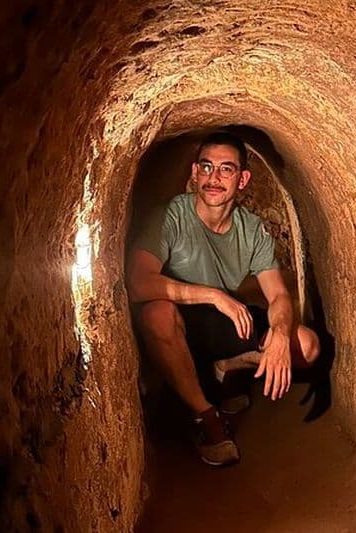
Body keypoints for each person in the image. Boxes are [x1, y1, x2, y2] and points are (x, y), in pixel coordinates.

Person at [127, 131, 320, 466]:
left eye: (226, 169)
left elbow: (278, 295)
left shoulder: (251, 229)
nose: (213, 178)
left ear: (243, 179)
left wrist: (278, 333)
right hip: (180, 324)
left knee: (306, 346)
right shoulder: (171, 216)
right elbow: (138, 283)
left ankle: (227, 365)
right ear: (194, 172)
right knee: (156, 313)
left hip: (225, 321)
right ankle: (205, 416)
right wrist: (211, 295)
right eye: (206, 167)